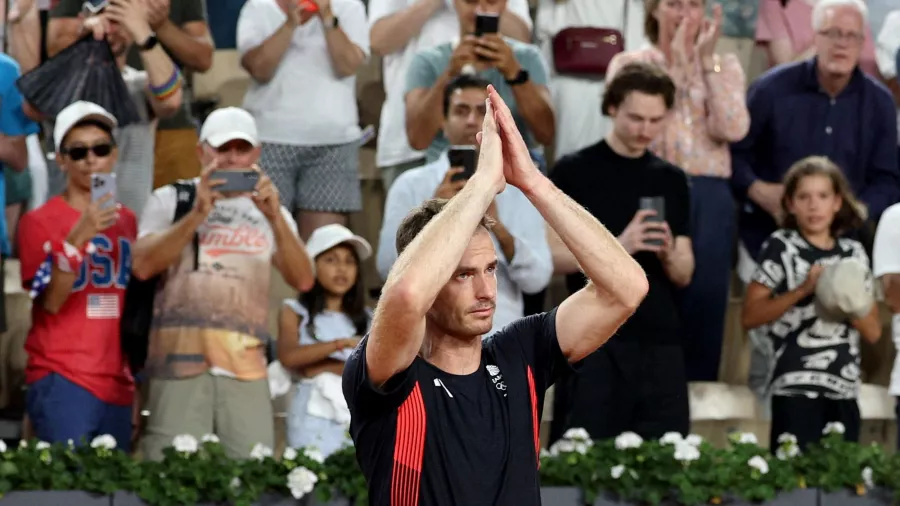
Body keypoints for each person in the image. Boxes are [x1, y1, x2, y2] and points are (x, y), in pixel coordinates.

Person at [342, 86, 648, 505]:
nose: (488, 291)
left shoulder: (519, 352)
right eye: (463, 275)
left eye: (490, 269)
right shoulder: (386, 368)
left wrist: (533, 183)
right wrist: (482, 185)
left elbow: (627, 288)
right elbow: (408, 294)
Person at [131, 107, 315, 460]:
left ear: (256, 154)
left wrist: (275, 218)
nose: (231, 157)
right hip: (178, 367)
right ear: (201, 151)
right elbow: (142, 266)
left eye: (241, 149)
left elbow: (304, 279)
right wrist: (197, 214)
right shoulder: (171, 199)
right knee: (171, 478)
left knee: (252, 478)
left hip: (245, 370)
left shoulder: (270, 211)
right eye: (221, 148)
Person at [605, 0, 750, 383]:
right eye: (673, 4)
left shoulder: (725, 65)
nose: (684, 13)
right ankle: (638, 386)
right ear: (654, 11)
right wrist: (677, 68)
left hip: (708, 189)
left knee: (705, 295)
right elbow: (645, 129)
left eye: (694, 4)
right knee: (647, 287)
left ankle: (698, 388)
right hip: (649, 182)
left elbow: (733, 128)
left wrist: (704, 64)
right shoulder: (631, 63)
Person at [548, 61, 693, 442]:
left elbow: (684, 272)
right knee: (582, 454)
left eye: (655, 120)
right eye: (635, 118)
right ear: (612, 107)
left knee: (665, 455)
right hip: (594, 333)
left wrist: (667, 253)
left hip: (659, 336)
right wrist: (619, 246)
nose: (645, 129)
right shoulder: (574, 171)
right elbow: (548, 260)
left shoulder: (672, 179)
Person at [377, 74, 552, 336]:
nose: (471, 121)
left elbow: (538, 279)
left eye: (481, 112)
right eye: (461, 111)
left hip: (499, 330)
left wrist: (496, 227)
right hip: (427, 332)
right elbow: (386, 269)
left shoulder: (518, 186)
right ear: (443, 122)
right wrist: (436, 219)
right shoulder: (411, 185)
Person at [17, 101, 141, 450]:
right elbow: (51, 302)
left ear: (113, 155)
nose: (91, 159)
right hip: (63, 374)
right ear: (61, 160)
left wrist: (135, 382)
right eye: (78, 151)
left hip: (117, 379)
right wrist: (77, 237)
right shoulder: (38, 222)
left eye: (100, 149)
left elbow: (129, 304)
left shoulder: (128, 221)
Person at [741, 156, 881, 453]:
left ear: (837, 202)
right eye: (804, 197)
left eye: (822, 196)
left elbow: (873, 333)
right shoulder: (781, 246)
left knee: (840, 484)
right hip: (793, 385)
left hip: (843, 387)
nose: (813, 206)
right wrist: (803, 290)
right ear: (790, 204)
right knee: (792, 486)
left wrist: (846, 300)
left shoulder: (854, 254)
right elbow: (750, 316)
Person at [237, 0, 369, 240]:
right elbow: (259, 68)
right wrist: (290, 24)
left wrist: (328, 17)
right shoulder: (258, 8)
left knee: (323, 245)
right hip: (269, 141)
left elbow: (348, 65)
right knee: (263, 240)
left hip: (333, 144)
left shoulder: (350, 7)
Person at [48, 0, 215, 189]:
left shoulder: (139, 85)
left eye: (119, 22)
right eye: (104, 20)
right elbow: (32, 104)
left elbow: (170, 101)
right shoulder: (64, 85)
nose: (110, 30)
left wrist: (144, 33)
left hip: (131, 216)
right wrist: (81, 40)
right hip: (68, 216)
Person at [404, 0, 554, 165]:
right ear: (455, 3)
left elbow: (546, 134)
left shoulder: (528, 58)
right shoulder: (427, 61)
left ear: (504, 4)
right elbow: (418, 140)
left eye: (491, 1)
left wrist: (515, 73)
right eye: (470, 1)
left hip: (512, 176)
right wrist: (449, 74)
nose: (480, 9)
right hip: (448, 174)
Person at [279, 224, 372, 456]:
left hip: (357, 413)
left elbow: (373, 370)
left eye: (349, 261)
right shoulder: (295, 311)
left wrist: (322, 366)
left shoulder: (370, 319)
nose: (342, 268)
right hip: (310, 417)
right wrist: (342, 344)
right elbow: (289, 357)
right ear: (312, 264)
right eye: (331, 260)